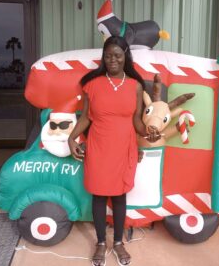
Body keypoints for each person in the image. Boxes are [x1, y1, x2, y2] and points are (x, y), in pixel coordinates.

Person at [68, 36, 160, 266]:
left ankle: (118, 243)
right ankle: (100, 243)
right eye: (108, 55)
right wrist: (71, 138)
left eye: (117, 55)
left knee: (119, 196)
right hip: (99, 148)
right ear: (103, 57)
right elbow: (86, 118)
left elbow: (137, 122)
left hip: (124, 149)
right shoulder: (93, 85)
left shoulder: (135, 86)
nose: (112, 60)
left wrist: (149, 131)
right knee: (99, 196)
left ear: (125, 56)